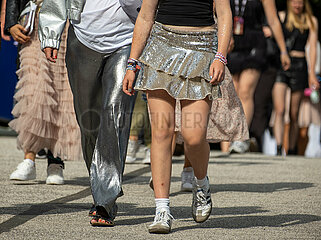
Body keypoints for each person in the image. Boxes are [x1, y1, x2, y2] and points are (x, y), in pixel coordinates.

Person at [123, 0, 245, 234]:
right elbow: (146, 16)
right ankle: (162, 209)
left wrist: (220, 56)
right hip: (160, 46)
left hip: (201, 47)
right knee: (161, 132)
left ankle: (201, 184)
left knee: (194, 136)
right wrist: (132, 62)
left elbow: (224, 12)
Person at [39, 0, 141, 226]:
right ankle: (101, 188)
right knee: (89, 123)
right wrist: (50, 33)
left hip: (127, 42)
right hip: (82, 40)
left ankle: (105, 201)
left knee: (114, 116)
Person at [4, 0, 81, 184]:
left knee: (62, 92)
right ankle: (28, 158)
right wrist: (11, 22)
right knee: (33, 89)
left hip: (65, 24)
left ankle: (55, 162)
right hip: (33, 24)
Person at [227, 0, 291, 153]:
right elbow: (217, 14)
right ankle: (230, 139)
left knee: (245, 91)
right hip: (232, 42)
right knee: (233, 93)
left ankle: (240, 138)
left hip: (255, 42)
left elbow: (274, 20)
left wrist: (283, 50)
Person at [272, 0, 319, 155]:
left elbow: (312, 48)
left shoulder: (311, 21)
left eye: (300, 2)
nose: (297, 5)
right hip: (282, 65)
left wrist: (312, 73)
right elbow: (272, 27)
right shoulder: (281, 16)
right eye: (294, 2)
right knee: (279, 109)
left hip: (300, 66)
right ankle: (278, 147)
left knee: (294, 113)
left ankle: (291, 149)